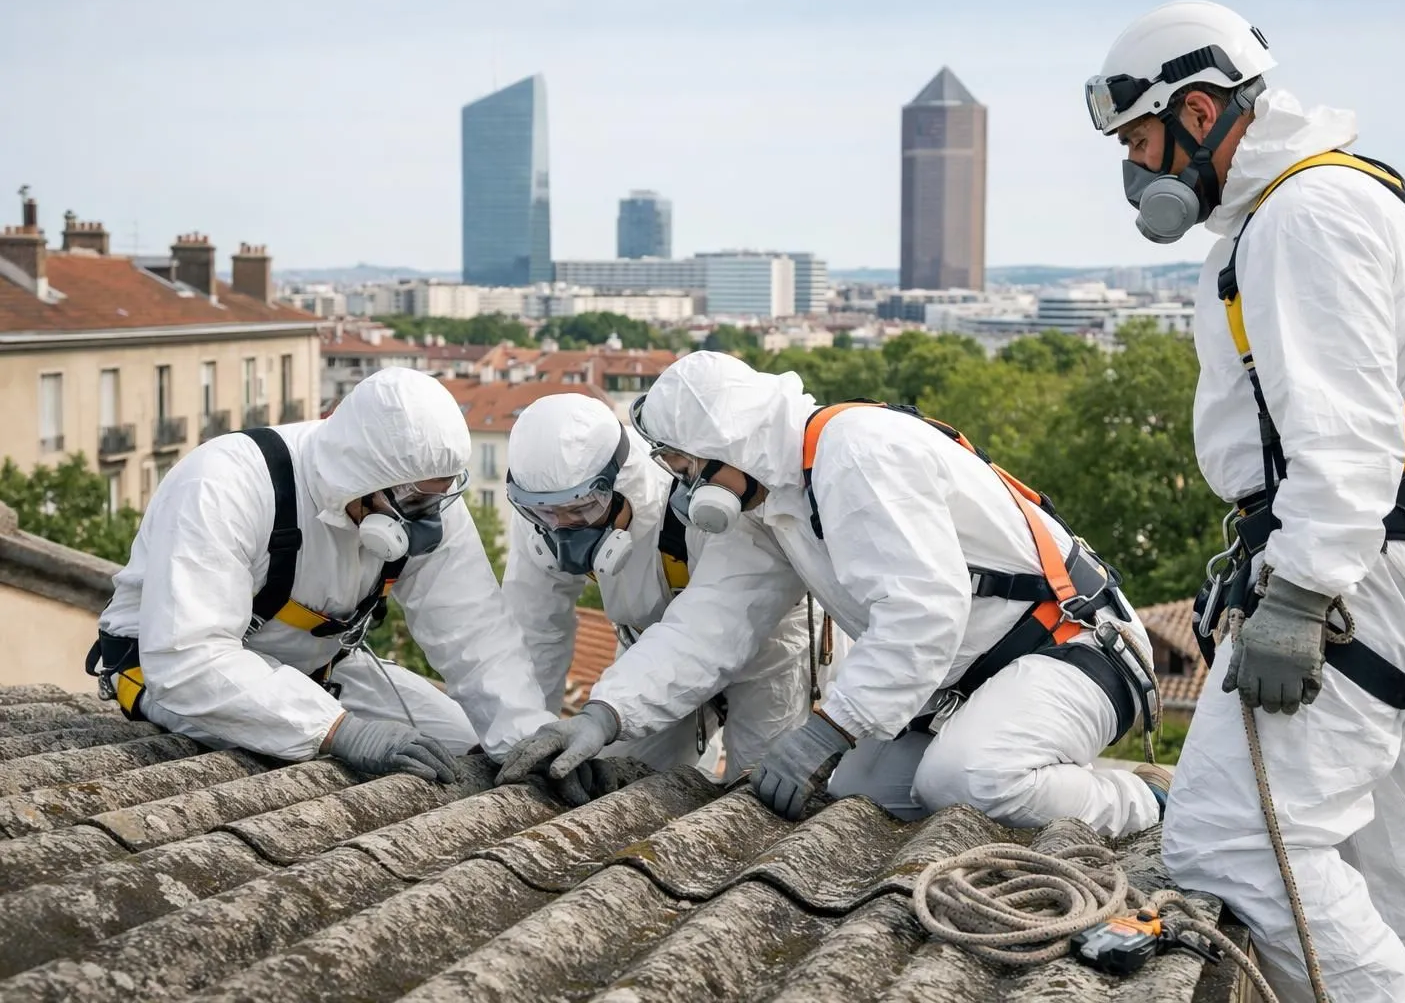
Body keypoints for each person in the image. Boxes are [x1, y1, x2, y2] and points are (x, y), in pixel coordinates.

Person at [1085, 0, 1405, 1002]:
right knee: (1399, 868)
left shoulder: (1303, 216)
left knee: (1235, 841)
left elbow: (1346, 434)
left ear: (1199, 114)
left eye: (1140, 138)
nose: (1135, 168)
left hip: (1372, 568)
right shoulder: (1332, 196)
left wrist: (1300, 592)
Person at [499, 350, 1166, 835]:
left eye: (685, 468)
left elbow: (924, 617)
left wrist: (826, 730)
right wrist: (604, 715)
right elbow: (708, 625)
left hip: (1071, 649)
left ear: (725, 448)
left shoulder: (858, 452)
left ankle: (1149, 804)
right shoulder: (775, 502)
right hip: (965, 686)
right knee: (856, 801)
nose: (685, 488)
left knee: (965, 782)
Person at [92, 367, 557, 783]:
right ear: (359, 479)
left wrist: (529, 740)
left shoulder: (418, 491)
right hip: (174, 678)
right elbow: (186, 659)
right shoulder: (223, 485)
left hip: (321, 671)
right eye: (415, 502)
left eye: (438, 498)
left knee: (463, 748)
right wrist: (337, 732)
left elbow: (475, 632)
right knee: (315, 769)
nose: (428, 519)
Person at [493, 393, 817, 802]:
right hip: (646, 648)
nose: (564, 529)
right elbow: (533, 631)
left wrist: (607, 712)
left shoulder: (694, 500)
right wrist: (522, 738)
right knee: (620, 785)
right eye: (545, 513)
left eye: (582, 510)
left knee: (756, 793)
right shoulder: (544, 512)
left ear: (617, 481)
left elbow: (708, 631)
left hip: (766, 648)